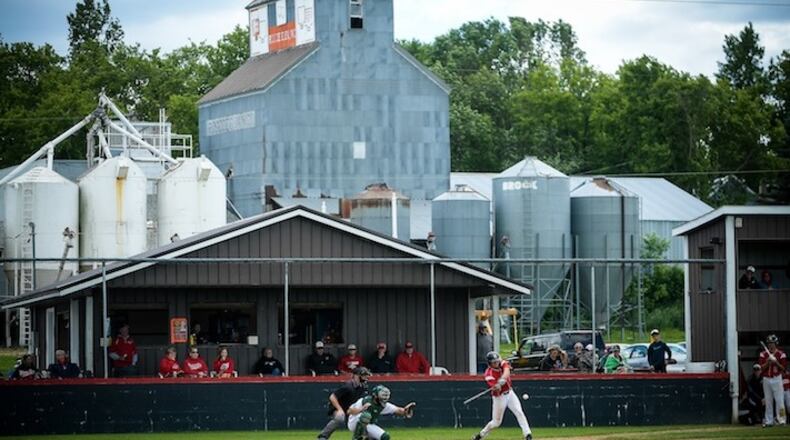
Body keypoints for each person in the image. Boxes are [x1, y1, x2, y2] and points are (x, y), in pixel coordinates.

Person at [472, 352, 532, 440]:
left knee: (519, 412)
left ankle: (527, 434)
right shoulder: (488, 374)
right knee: (496, 423)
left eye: (497, 361)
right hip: (499, 397)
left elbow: (507, 371)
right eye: (494, 362)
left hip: (510, 393)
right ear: (489, 363)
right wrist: (496, 386)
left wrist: (502, 380)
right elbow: (496, 388)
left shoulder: (503, 363)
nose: (496, 363)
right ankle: (481, 435)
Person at [317, 367, 371, 440]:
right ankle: (323, 436)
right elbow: (332, 397)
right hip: (340, 407)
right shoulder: (348, 387)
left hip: (351, 409)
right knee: (340, 418)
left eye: (366, 375)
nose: (365, 377)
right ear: (355, 376)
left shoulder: (363, 387)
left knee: (365, 417)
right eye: (363, 375)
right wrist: (339, 409)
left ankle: (363, 436)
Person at [347, 384, 415, 440]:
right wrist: (361, 409)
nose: (384, 397)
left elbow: (399, 410)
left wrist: (406, 411)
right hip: (354, 422)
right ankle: (356, 438)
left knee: (385, 437)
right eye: (382, 395)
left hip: (368, 425)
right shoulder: (364, 401)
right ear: (375, 395)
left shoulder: (383, 405)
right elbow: (349, 411)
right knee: (366, 416)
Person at [759, 334, 787, 427]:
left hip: (777, 378)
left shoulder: (781, 354)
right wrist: (768, 361)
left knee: (780, 401)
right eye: (769, 343)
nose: (770, 345)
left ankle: (782, 420)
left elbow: (783, 368)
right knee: (768, 401)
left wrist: (776, 362)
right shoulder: (763, 354)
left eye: (772, 343)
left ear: (776, 343)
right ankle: (769, 421)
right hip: (766, 379)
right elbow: (761, 368)